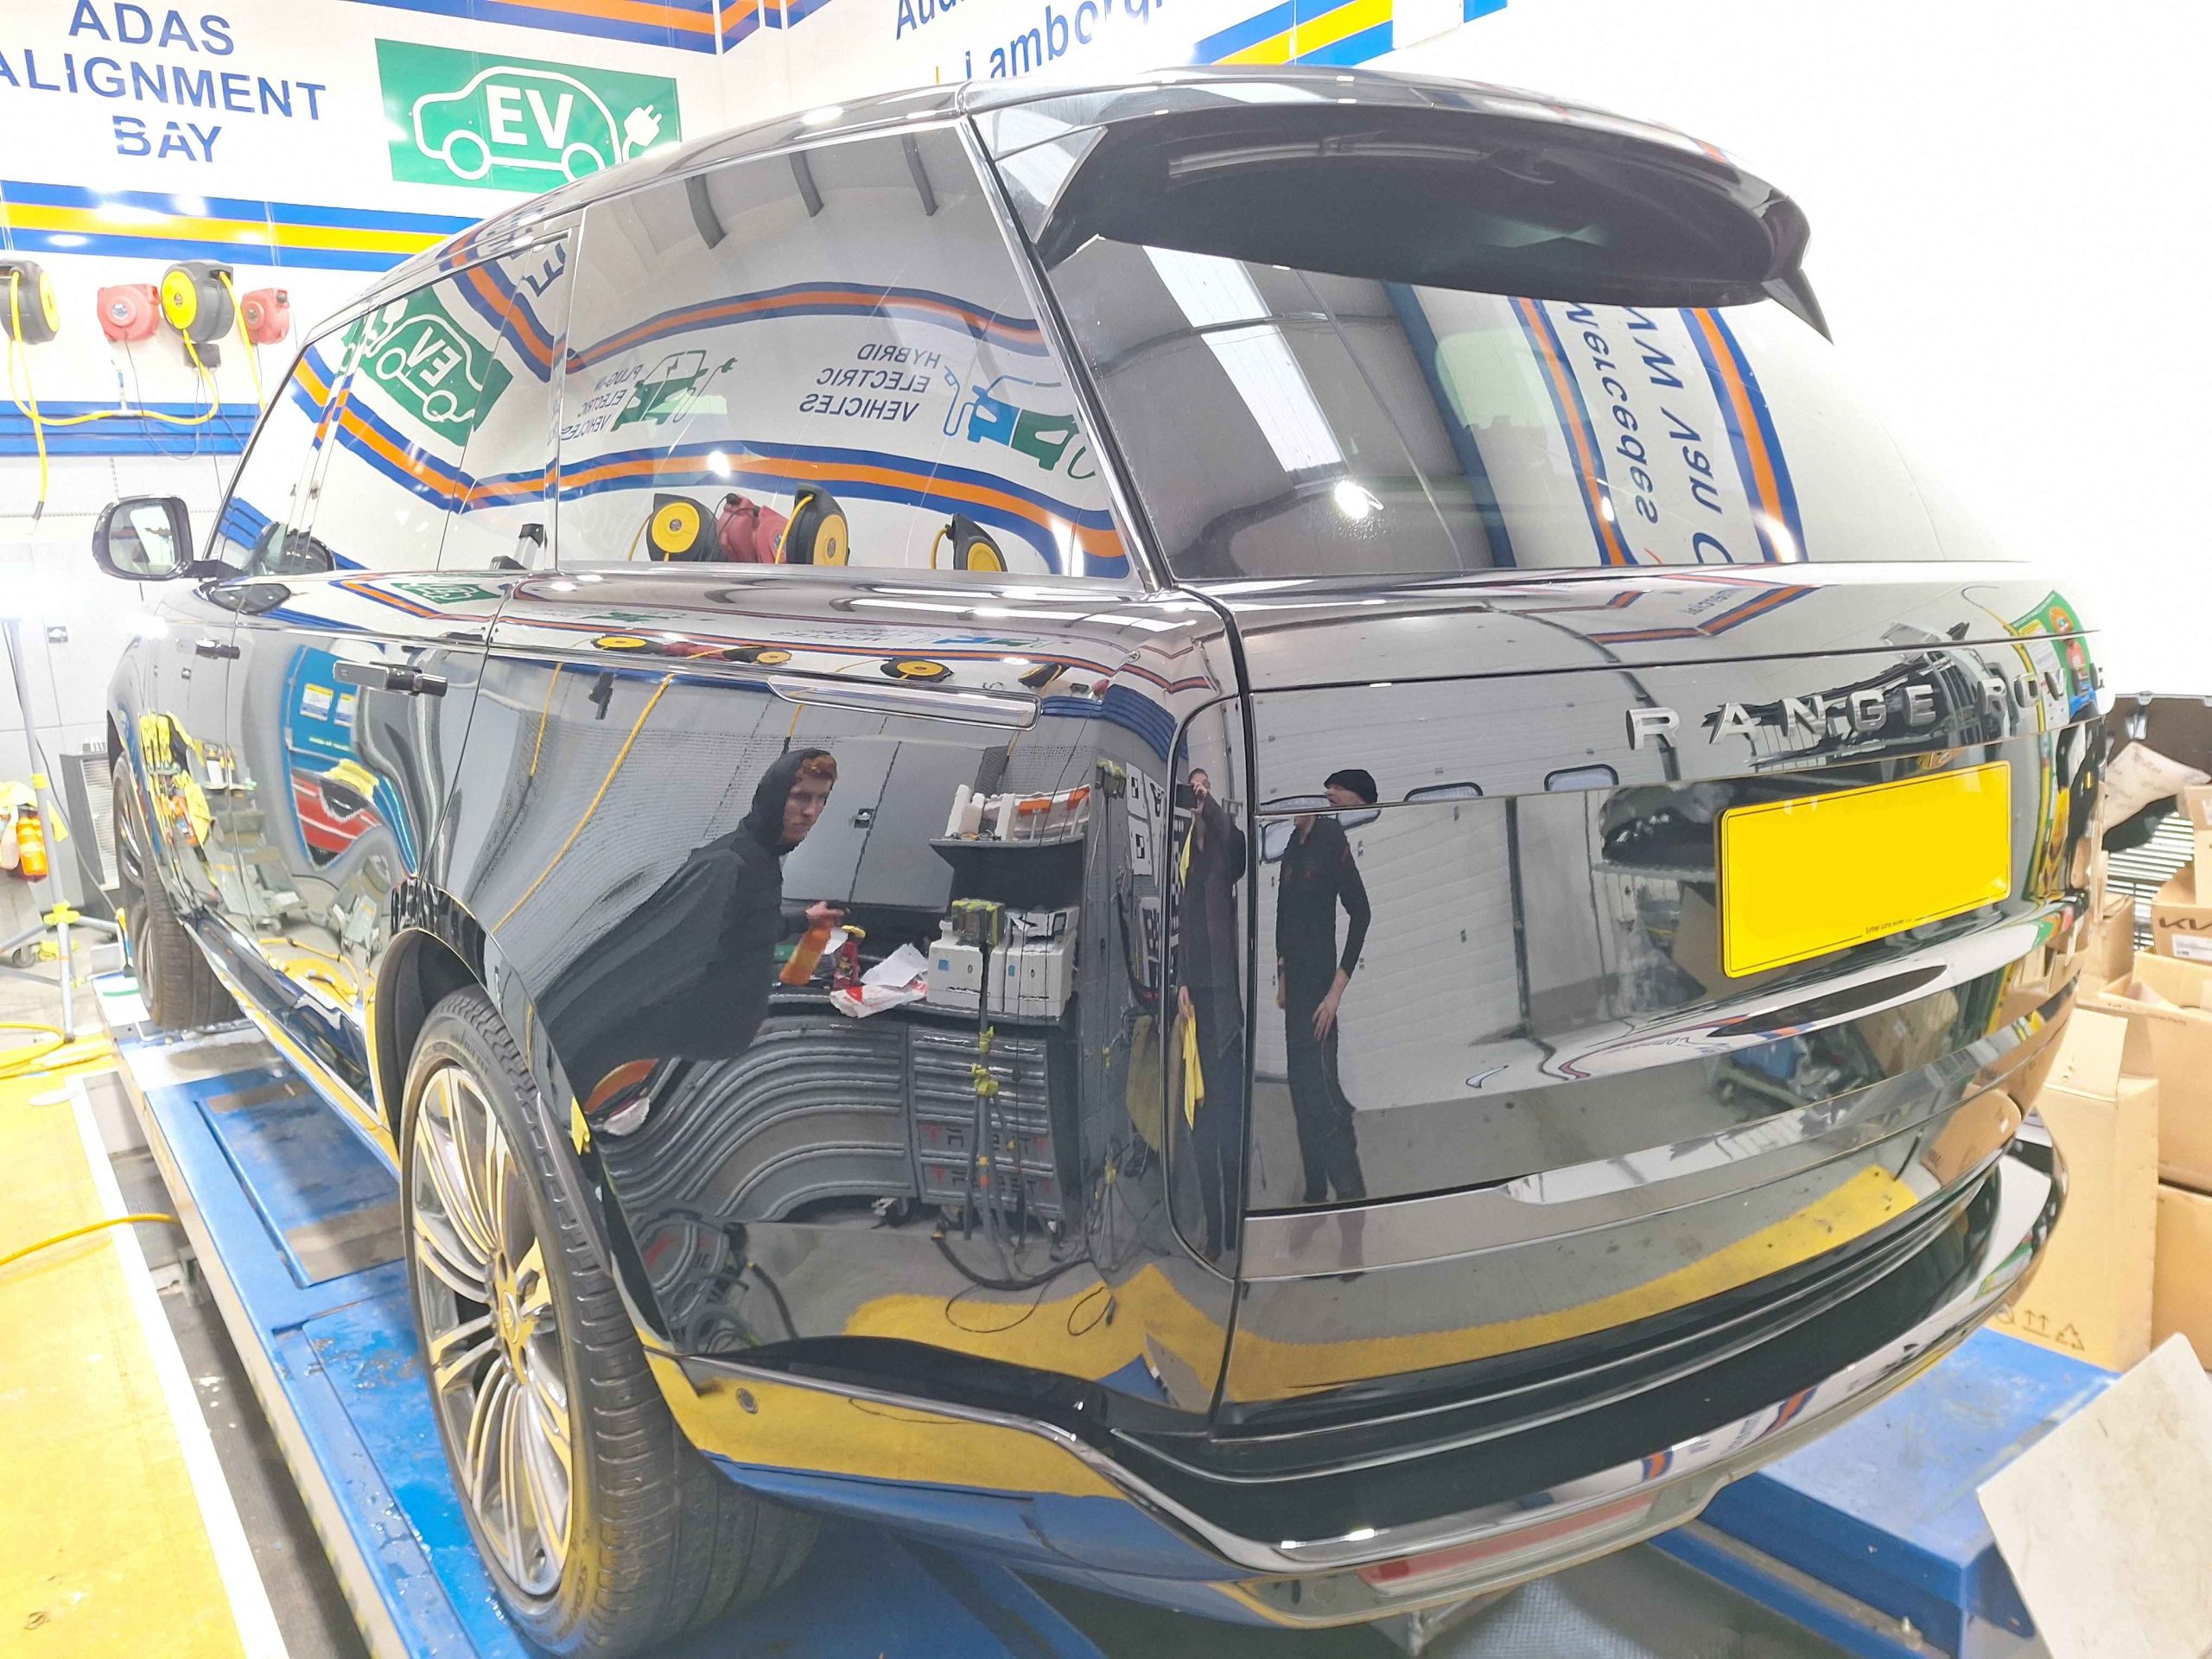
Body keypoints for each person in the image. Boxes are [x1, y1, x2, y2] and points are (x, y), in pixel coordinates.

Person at [545, 747, 844, 1118]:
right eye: (800, 797)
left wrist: (803, 920)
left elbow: (751, 929)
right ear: (774, 795)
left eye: (821, 799)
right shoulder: (728, 864)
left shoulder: (762, 859)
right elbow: (671, 960)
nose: (811, 812)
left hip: (724, 1044)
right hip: (692, 1053)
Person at [1276, 766, 1373, 1205]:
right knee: (1300, 1094)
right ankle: (1314, 1195)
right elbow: (1282, 916)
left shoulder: (1331, 839)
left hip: (1319, 995)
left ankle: (1353, 1199)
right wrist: (1281, 974)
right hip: (1295, 993)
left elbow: (1361, 913)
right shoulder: (1291, 847)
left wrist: (1336, 992)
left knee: (1325, 1099)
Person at [1176, 766, 1248, 1259]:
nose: (1198, 791)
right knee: (1202, 1126)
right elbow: (1184, 928)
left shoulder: (1225, 854)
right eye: (1193, 786)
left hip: (1224, 1012)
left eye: (1204, 785)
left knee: (1228, 1124)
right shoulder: (1188, 860)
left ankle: (1235, 1227)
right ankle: (1214, 1231)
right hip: (1196, 1009)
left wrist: (1213, 807)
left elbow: (1239, 849)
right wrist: (1181, 981)